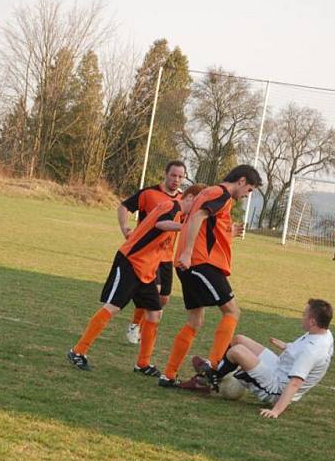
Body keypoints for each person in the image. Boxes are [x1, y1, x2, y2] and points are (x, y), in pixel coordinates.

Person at [67, 184, 206, 374]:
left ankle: (142, 363)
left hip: (147, 269)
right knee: (113, 307)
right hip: (131, 262)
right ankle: (78, 351)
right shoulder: (171, 206)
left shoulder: (180, 214)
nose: (198, 211)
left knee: (154, 314)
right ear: (189, 197)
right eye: (198, 204)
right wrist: (185, 227)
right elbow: (161, 224)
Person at [158, 164, 262, 389]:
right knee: (232, 311)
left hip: (190, 263)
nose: (247, 195)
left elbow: (204, 223)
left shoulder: (211, 194)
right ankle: (214, 369)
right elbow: (196, 219)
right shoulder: (221, 194)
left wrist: (229, 232)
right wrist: (187, 252)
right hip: (200, 263)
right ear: (241, 181)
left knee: (195, 321)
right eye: (250, 189)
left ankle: (168, 375)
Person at [195, 299, 334, 419]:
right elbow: (304, 351)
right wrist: (288, 346)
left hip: (277, 388)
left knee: (237, 352)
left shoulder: (312, 350)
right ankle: (216, 374)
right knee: (239, 340)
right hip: (279, 368)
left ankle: (211, 378)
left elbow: (295, 383)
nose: (301, 317)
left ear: (313, 321)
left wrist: (276, 411)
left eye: (304, 314)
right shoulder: (324, 333)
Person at [118, 160, 186, 344]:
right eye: (173, 175)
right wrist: (125, 227)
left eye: (180, 176)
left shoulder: (183, 200)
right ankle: (135, 326)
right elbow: (124, 207)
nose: (176, 180)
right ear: (165, 173)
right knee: (153, 295)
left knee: (163, 299)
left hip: (167, 257)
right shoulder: (149, 193)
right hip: (147, 254)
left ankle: (140, 325)